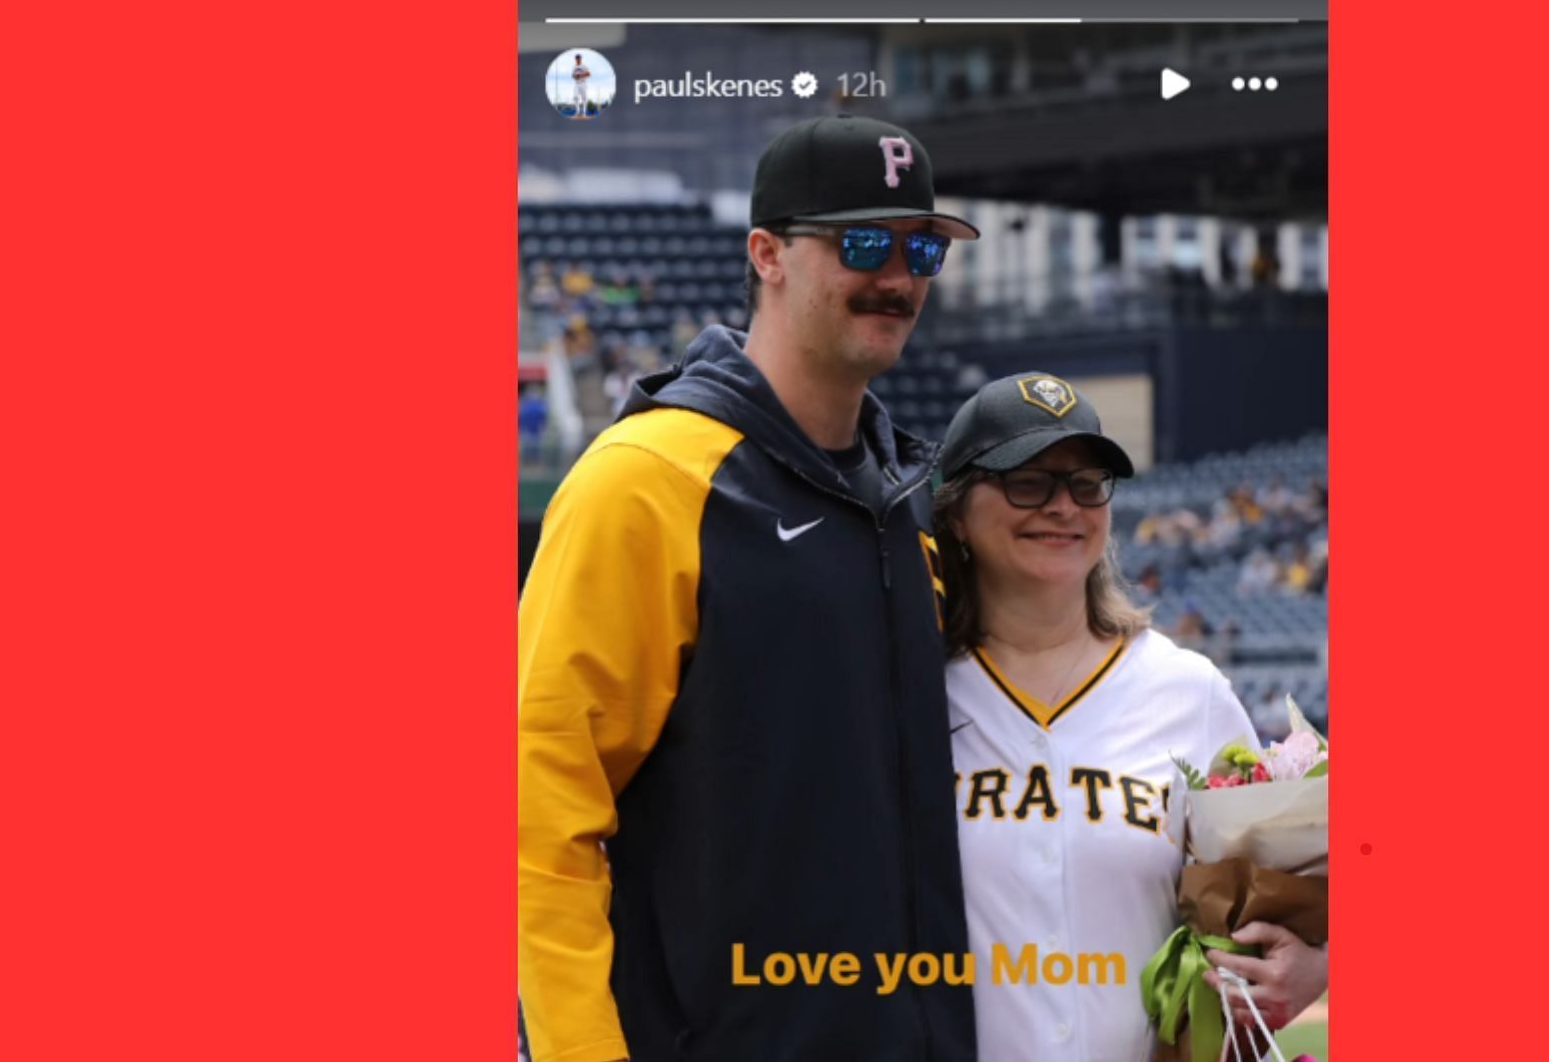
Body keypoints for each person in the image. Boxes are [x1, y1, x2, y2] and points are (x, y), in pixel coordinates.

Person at [518, 114, 982, 1062]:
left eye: (920, 245)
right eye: (861, 242)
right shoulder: (646, 477)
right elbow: (539, 813)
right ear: (766, 254)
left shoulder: (905, 496)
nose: (897, 276)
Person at [931, 373, 1327, 1060]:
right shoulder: (914, 694)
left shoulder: (1186, 692)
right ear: (957, 512)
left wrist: (1318, 964)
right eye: (1028, 481)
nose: (1064, 506)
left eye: (1087, 483)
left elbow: (1291, 883)